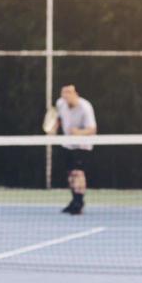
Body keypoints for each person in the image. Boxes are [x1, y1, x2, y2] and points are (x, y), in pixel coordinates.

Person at [54, 83, 97, 214]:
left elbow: (92, 129)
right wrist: (54, 128)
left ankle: (79, 202)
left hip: (83, 145)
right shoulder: (60, 103)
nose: (66, 96)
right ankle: (74, 200)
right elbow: (59, 118)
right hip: (68, 143)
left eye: (69, 93)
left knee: (78, 173)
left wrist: (78, 132)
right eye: (64, 94)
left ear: (75, 94)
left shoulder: (85, 107)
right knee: (70, 174)